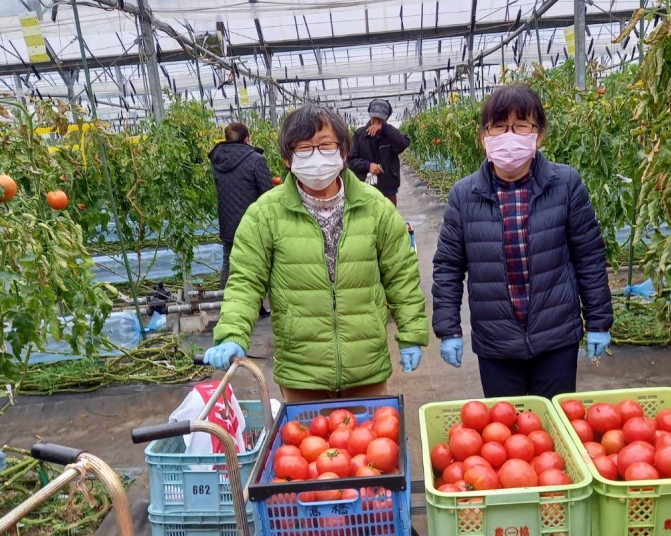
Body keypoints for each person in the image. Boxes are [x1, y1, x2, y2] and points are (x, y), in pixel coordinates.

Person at [203, 104, 428, 403]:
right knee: (307, 446)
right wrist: (232, 332)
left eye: (325, 145)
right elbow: (245, 281)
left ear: (343, 152)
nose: (316, 156)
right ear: (287, 158)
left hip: (366, 366)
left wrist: (411, 333)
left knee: (371, 445)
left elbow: (401, 275)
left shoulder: (376, 208)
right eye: (304, 149)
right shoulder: (264, 215)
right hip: (301, 371)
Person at [431, 84, 613, 399]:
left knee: (554, 427)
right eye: (499, 127)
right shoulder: (464, 194)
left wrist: (598, 320)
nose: (509, 135)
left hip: (556, 337)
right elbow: (448, 266)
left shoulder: (566, 184)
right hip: (496, 341)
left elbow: (589, 257)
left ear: (539, 134)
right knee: (507, 435)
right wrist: (448, 329)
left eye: (521, 126)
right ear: (484, 136)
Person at [209, 121, 273, 317]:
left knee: (229, 263)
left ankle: (226, 308)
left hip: (228, 222)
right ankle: (258, 306)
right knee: (259, 263)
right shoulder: (255, 159)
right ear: (247, 139)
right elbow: (267, 193)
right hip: (252, 223)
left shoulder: (217, 159)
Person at [347, 99, 410, 206]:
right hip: (366, 186)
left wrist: (385, 128)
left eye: (380, 119)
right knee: (370, 217)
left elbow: (402, 144)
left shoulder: (390, 134)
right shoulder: (359, 135)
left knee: (390, 217)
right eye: (374, 118)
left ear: (387, 118)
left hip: (388, 185)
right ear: (369, 116)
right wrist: (368, 165)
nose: (376, 122)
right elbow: (351, 159)